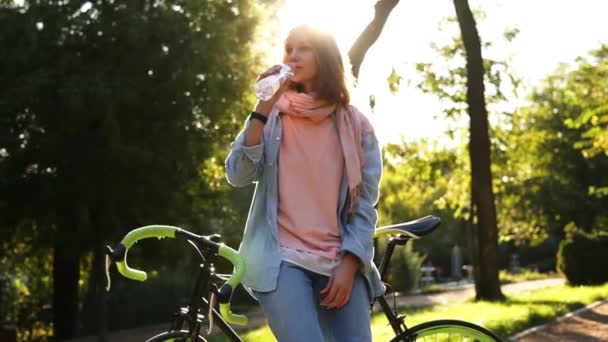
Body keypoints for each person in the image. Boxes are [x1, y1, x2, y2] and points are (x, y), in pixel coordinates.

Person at [225, 25, 385, 342]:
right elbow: (238, 175)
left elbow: (365, 202)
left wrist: (351, 263)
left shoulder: (356, 125)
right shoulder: (272, 118)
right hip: (280, 260)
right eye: (289, 48)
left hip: (339, 260)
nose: (293, 55)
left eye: (304, 48)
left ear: (324, 57)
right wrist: (262, 108)